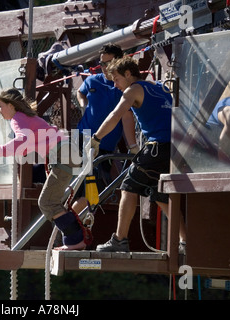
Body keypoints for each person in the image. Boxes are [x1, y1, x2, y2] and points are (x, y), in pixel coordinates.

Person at [90, 56, 187, 253]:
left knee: (128, 187)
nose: (115, 85)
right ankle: (186, 241)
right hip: (175, 148)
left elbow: (115, 115)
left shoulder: (133, 90)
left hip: (157, 147)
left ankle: (119, 240)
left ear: (128, 74)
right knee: (160, 196)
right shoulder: (158, 87)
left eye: (116, 79)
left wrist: (96, 138)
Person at [0, 88, 89, 250]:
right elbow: (27, 145)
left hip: (63, 155)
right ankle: (73, 239)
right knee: (50, 201)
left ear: (11, 105)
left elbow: (23, 140)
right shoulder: (26, 117)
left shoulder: (17, 118)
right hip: (66, 153)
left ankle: (75, 240)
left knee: (47, 202)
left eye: (0, 106)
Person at [76, 43, 138, 192]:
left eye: (107, 63)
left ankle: (77, 215)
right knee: (69, 187)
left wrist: (132, 146)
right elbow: (80, 92)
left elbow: (127, 115)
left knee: (92, 191)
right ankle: (66, 214)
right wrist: (83, 104)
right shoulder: (92, 80)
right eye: (101, 63)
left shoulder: (125, 87)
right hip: (79, 138)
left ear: (118, 62)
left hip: (103, 146)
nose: (103, 67)